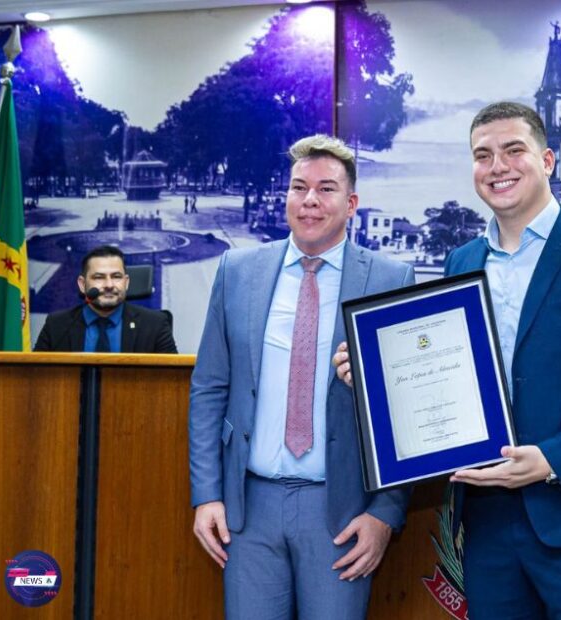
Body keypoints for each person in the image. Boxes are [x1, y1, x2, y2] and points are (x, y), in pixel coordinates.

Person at [334, 102, 561, 619]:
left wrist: (555, 458)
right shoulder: (462, 261)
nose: (498, 167)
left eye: (514, 151)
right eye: (482, 155)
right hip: (488, 523)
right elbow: (449, 376)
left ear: (549, 160)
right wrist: (375, 377)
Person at [189, 134, 414, 620]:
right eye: (298, 187)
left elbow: (404, 412)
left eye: (326, 189)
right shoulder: (238, 270)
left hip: (340, 512)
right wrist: (206, 495)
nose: (310, 200)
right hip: (247, 510)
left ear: (351, 203)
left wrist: (384, 514)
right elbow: (210, 389)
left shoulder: (390, 279)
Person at [34, 245, 177, 353]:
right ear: (82, 285)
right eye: (99, 277)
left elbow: (173, 383)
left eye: (116, 277)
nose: (109, 285)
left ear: (126, 283)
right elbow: (36, 380)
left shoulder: (155, 325)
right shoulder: (57, 326)